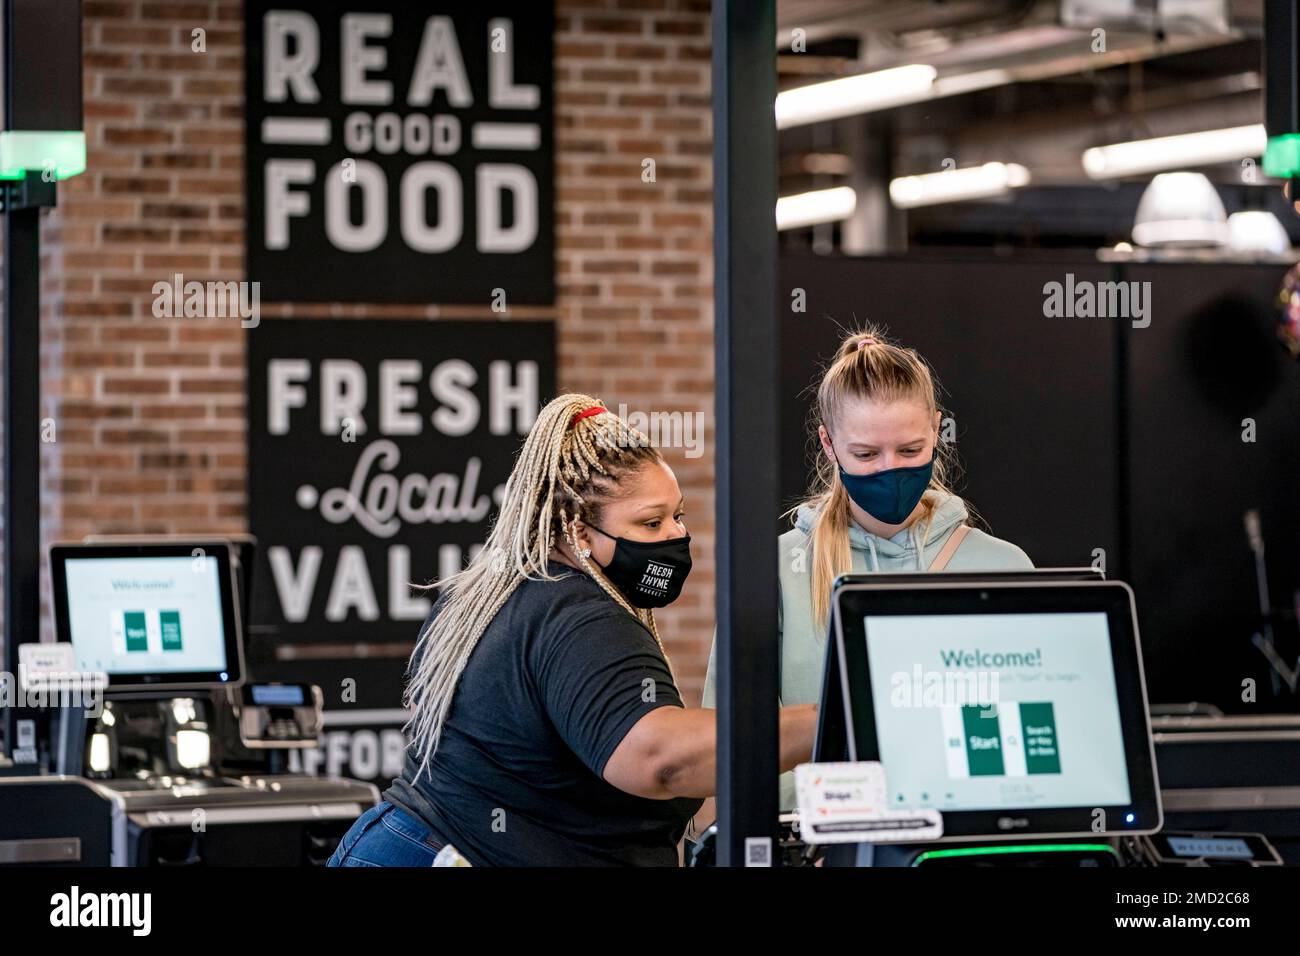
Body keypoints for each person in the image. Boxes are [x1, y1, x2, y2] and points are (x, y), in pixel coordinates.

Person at [328, 394, 818, 866]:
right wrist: (829, 720)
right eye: (650, 523)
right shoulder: (578, 615)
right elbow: (660, 758)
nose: (677, 536)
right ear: (579, 531)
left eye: (678, 516)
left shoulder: (495, 595)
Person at [701, 327, 1033, 811]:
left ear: (939, 430)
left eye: (909, 450)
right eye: (865, 454)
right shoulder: (773, 572)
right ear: (829, 444)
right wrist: (857, 803)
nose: (889, 469)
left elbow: (1032, 737)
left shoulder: (1004, 568)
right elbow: (731, 751)